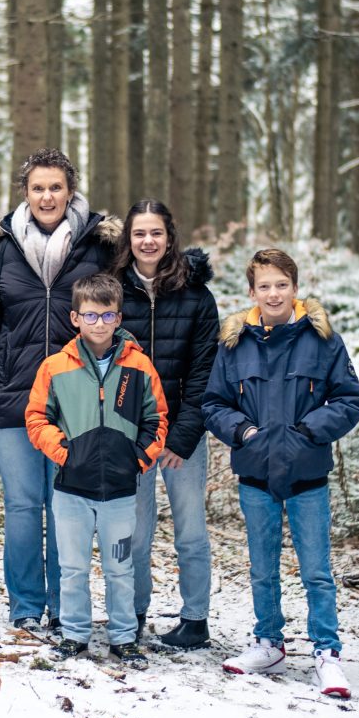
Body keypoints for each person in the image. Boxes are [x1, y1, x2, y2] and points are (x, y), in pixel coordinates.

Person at [202, 248, 359, 697]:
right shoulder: (234, 343)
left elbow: (351, 399)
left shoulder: (323, 340)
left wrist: (309, 431)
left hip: (307, 474)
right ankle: (269, 642)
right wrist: (244, 432)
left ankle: (327, 653)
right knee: (262, 568)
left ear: (295, 288)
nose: (273, 293)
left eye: (282, 284)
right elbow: (214, 403)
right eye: (264, 286)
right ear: (251, 291)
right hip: (255, 474)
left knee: (316, 570)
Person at [0, 149, 120, 634]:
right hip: (9, 391)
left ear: (70, 191)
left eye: (56, 187)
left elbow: (125, 304)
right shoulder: (2, 247)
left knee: (64, 501)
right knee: (20, 502)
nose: (47, 196)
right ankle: (25, 604)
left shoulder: (98, 246)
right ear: (25, 192)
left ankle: (65, 602)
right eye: (38, 187)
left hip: (75, 396)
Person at [25, 273, 168, 669]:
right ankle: (74, 633)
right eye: (90, 315)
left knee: (120, 568)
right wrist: (66, 454)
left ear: (119, 318)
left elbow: (156, 420)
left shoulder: (139, 366)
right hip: (71, 490)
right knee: (72, 568)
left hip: (121, 493)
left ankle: (124, 636)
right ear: (75, 318)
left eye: (107, 316)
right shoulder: (55, 367)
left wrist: (136, 459)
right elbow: (37, 417)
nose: (99, 324)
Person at [114, 201, 219, 649]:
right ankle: (133, 613)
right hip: (129, 434)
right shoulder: (114, 291)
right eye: (139, 234)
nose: (148, 242)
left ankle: (195, 619)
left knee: (190, 530)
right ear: (128, 240)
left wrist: (183, 435)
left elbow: (204, 372)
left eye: (156, 233)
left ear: (170, 238)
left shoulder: (197, 296)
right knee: (134, 531)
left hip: (182, 437)